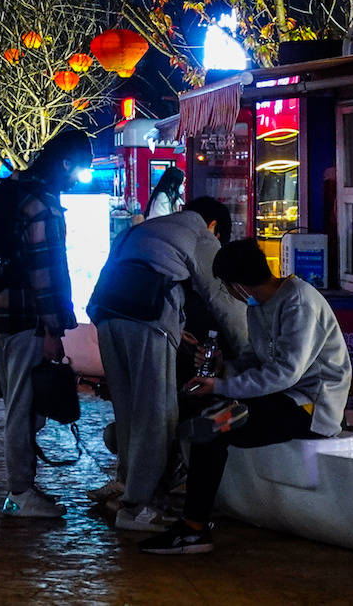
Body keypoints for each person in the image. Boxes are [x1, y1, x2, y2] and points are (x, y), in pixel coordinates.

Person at [140, 239, 353, 556]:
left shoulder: (299, 303)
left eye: (226, 285)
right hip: (279, 398)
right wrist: (223, 369)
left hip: (311, 406)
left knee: (215, 425)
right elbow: (256, 359)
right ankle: (193, 515)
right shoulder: (258, 306)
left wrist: (222, 387)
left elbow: (285, 373)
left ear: (236, 284)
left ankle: (194, 528)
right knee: (201, 414)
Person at [89, 196, 247, 533]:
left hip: (106, 319)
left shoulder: (144, 229)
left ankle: (129, 490)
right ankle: (137, 508)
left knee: (129, 412)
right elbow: (222, 301)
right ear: (215, 227)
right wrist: (247, 352)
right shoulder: (200, 236)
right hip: (148, 323)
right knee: (156, 415)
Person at [0, 129, 89, 519]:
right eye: (78, 171)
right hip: (25, 320)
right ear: (66, 164)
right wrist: (54, 329)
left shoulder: (7, 191)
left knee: (20, 403)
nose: (77, 180)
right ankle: (20, 492)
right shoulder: (42, 207)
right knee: (21, 408)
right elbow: (47, 272)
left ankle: (22, 486)